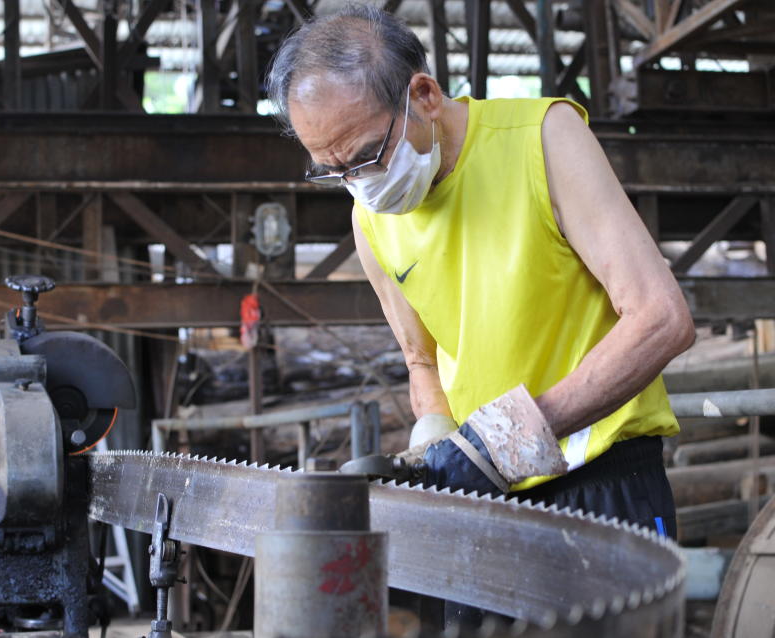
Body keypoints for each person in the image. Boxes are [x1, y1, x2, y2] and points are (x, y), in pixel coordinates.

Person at [266, 4, 695, 627]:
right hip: (483, 503)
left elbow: (661, 317)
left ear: (424, 94)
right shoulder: (371, 222)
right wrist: (435, 445)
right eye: (334, 171)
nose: (359, 184)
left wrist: (507, 438)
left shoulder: (542, 138)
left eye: (365, 156)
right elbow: (422, 360)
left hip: (601, 481)